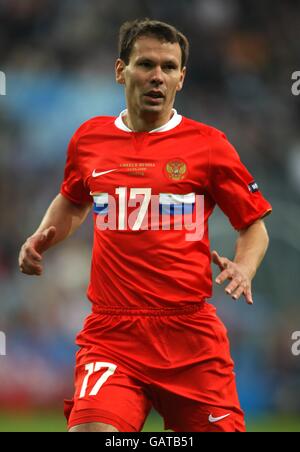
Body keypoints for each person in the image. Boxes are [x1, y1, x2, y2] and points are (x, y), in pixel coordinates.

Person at [18, 18, 272, 432]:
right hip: (112, 332)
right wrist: (41, 237)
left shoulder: (208, 145)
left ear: (181, 78)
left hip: (189, 334)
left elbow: (254, 223)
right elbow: (72, 200)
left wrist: (244, 268)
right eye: (146, 64)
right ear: (121, 70)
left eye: (169, 67)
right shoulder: (89, 139)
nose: (158, 76)